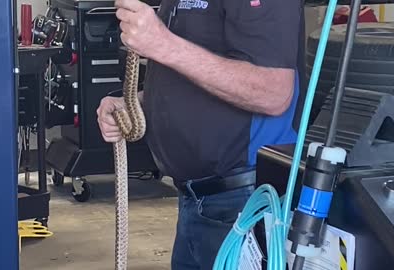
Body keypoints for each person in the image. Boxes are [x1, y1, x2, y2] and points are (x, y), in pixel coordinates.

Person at [97, 0, 305, 268]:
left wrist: (163, 44)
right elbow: (195, 79)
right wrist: (133, 105)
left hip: (243, 201)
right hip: (195, 201)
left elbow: (273, 93)